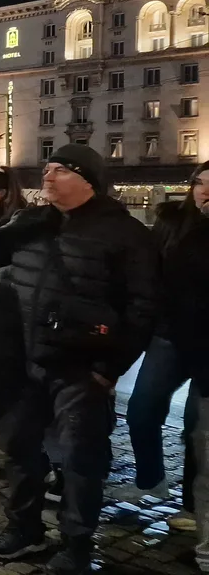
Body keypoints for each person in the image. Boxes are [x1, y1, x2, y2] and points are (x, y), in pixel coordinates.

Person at [0, 144, 159, 574]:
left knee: (80, 458)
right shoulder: (33, 222)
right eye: (46, 169)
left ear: (87, 179)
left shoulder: (125, 233)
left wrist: (109, 369)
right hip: (24, 360)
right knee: (19, 449)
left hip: (81, 367)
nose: (47, 177)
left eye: (59, 170)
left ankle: (77, 543)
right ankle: (25, 528)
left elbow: (143, 308)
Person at [119, 162, 208, 517]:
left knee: (195, 430)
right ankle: (150, 478)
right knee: (141, 411)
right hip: (168, 335)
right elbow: (150, 271)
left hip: (205, 344)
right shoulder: (172, 221)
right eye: (200, 183)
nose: (205, 191)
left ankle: (191, 505)